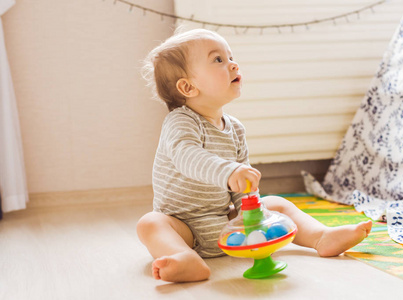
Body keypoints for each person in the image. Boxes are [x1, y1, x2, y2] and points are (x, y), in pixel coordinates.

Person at [137, 28, 372, 283]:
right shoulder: (180, 122)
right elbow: (187, 157)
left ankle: (321, 237)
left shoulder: (235, 128)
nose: (233, 64)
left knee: (277, 204)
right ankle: (184, 258)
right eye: (218, 60)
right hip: (183, 227)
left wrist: (250, 217)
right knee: (150, 223)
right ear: (188, 87)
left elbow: (244, 185)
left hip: (223, 221)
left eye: (230, 56)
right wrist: (228, 171)